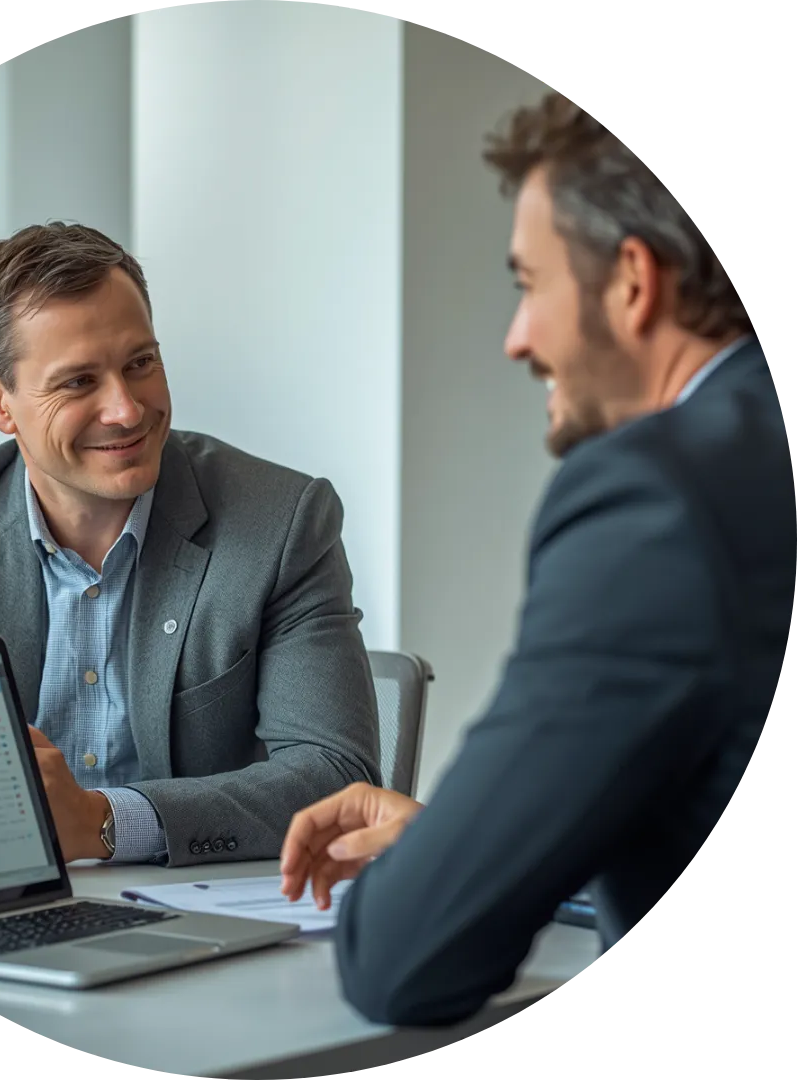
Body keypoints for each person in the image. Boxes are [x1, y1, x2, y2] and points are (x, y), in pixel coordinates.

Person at [279, 91, 797, 1026]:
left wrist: (447, 871)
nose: (517, 337)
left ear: (634, 283)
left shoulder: (659, 497)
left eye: (528, 283)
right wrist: (473, 844)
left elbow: (407, 960)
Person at [0, 222, 381, 867]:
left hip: (197, 913)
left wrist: (104, 821)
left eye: (141, 364)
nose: (127, 410)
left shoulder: (280, 523)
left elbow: (336, 774)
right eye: (78, 382)